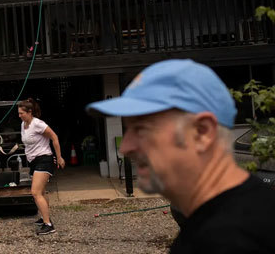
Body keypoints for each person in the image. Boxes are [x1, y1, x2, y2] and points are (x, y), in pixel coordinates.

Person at [86, 59, 275, 254]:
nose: (125, 147)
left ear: (202, 132)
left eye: (141, 129)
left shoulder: (234, 239)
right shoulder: (217, 221)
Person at [17, 98, 65, 235]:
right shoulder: (23, 124)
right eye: (19, 113)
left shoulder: (38, 124)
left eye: (21, 113)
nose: (19, 115)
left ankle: (48, 224)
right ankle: (44, 217)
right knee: (42, 192)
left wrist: (59, 157)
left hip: (44, 159)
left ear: (29, 112)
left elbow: (54, 137)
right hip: (33, 161)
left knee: (35, 192)